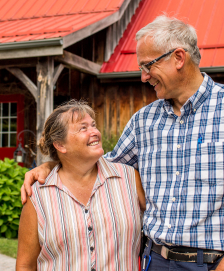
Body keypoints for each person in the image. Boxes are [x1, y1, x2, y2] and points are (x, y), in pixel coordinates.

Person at [21, 15, 224, 271]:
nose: (144, 77)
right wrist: (53, 165)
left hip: (213, 263)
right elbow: (102, 164)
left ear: (179, 58)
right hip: (154, 261)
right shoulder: (144, 120)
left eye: (148, 66)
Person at [16, 100, 146, 271]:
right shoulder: (38, 196)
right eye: (83, 128)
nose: (95, 132)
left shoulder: (129, 179)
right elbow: (25, 265)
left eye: (93, 125)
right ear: (60, 145)